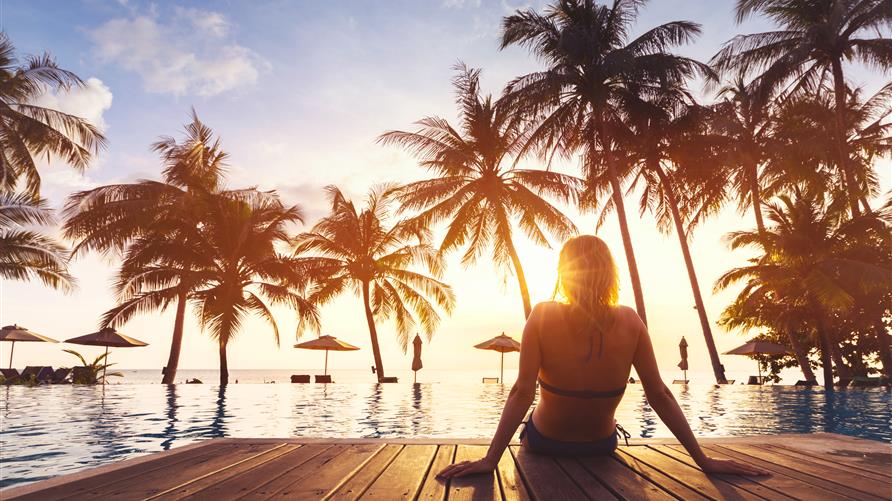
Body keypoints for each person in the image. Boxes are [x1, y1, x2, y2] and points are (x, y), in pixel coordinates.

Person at [438, 235, 768, 478]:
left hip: (545, 441)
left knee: (536, 412)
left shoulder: (542, 315)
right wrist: (703, 460)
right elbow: (660, 394)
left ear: (564, 273)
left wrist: (490, 460)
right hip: (601, 445)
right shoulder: (630, 320)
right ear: (610, 274)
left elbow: (522, 392)